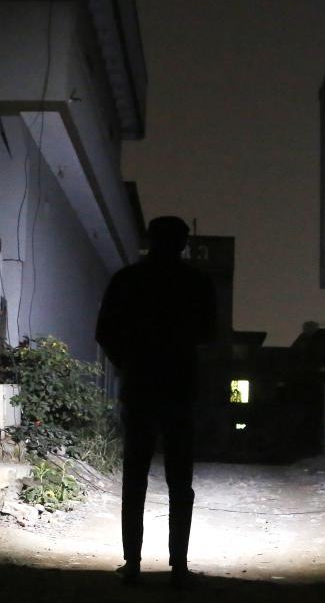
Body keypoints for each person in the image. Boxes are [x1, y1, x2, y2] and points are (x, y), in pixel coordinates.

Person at [95, 216, 217, 587]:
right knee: (180, 479)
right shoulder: (195, 281)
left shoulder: (128, 279)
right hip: (179, 387)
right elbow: (210, 333)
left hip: (140, 386)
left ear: (149, 240)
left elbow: (104, 332)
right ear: (183, 243)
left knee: (135, 475)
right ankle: (178, 566)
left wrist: (129, 363)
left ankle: (132, 562)